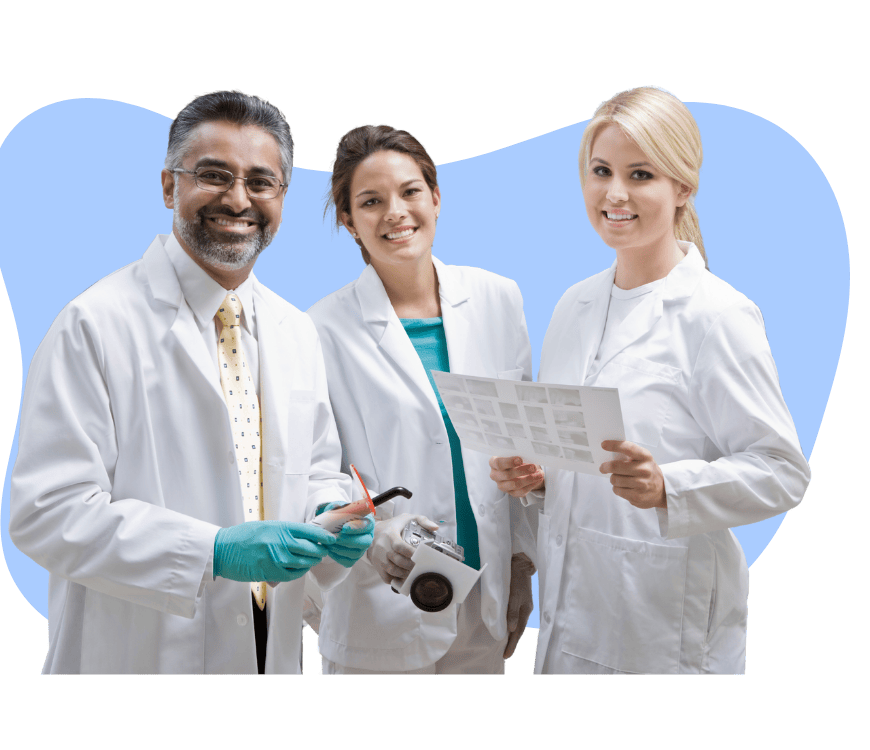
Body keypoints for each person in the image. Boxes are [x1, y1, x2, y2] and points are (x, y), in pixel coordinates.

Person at [8, 89, 373, 675]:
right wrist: (213, 551)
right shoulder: (95, 324)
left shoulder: (294, 330)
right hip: (136, 658)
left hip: (264, 649)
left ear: (282, 197)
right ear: (168, 186)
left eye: (261, 181)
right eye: (213, 175)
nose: (238, 199)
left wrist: (331, 511)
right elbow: (46, 513)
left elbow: (313, 468)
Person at [489, 87, 811, 674]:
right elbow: (577, 457)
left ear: (682, 187)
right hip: (571, 623)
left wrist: (669, 487)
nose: (615, 194)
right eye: (600, 171)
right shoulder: (573, 306)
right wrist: (538, 479)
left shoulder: (717, 315)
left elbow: (783, 472)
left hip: (666, 635)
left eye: (640, 174)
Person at [306, 124, 537, 674]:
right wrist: (369, 535)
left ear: (435, 197)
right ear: (348, 220)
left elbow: (522, 440)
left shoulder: (497, 299)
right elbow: (314, 469)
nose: (395, 212)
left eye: (410, 191)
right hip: (379, 605)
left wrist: (522, 564)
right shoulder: (319, 329)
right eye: (370, 201)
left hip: (485, 602)